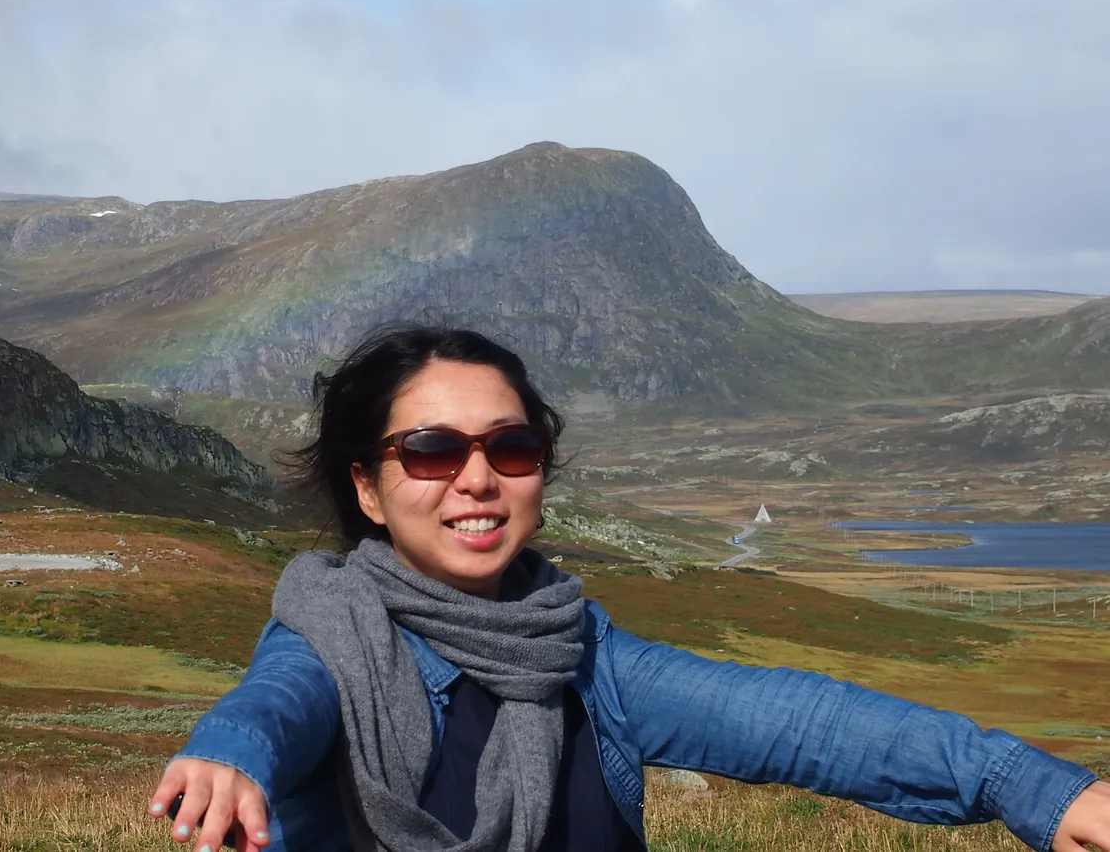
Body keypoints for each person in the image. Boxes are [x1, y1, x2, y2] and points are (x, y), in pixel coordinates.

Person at [148, 325, 1109, 852]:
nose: (477, 479)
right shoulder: (333, 632)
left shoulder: (584, 652)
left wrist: (1028, 787)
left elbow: (796, 723)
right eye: (432, 451)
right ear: (367, 484)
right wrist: (231, 756)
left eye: (511, 446)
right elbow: (277, 702)